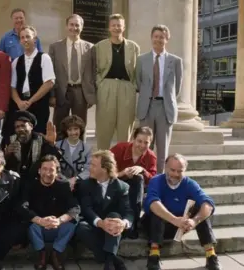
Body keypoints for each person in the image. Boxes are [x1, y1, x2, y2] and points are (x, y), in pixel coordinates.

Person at [142, 154, 222, 270]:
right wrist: (174, 220)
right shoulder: (156, 181)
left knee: (201, 208)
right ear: (165, 167)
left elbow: (208, 204)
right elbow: (152, 203)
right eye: (172, 170)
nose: (175, 174)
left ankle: (211, 255)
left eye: (180, 171)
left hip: (178, 227)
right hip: (153, 226)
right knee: (158, 209)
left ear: (185, 170)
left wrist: (194, 221)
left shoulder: (190, 184)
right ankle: (154, 255)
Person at [136, 25, 183, 174]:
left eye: (162, 37)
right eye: (156, 36)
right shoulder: (141, 60)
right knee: (144, 147)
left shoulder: (175, 61)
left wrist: (167, 99)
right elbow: (139, 82)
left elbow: (177, 88)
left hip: (165, 107)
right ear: (151, 38)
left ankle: (160, 180)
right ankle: (144, 179)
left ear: (167, 39)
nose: (158, 40)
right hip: (147, 107)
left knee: (162, 149)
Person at [75, 150, 133, 270]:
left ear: (105, 169)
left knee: (115, 216)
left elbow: (128, 212)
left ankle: (109, 264)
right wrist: (101, 223)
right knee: (80, 227)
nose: (89, 168)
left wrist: (124, 223)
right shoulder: (85, 185)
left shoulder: (121, 187)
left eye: (93, 165)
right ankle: (111, 258)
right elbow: (86, 209)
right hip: (95, 226)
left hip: (114, 230)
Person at [90, 14, 140, 150]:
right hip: (106, 86)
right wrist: (99, 83)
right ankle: (103, 163)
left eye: (119, 25)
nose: (116, 28)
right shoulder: (99, 46)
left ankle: (124, 161)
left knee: (125, 127)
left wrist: (133, 86)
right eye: (114, 25)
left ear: (124, 27)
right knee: (104, 127)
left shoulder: (133, 47)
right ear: (109, 28)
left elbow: (136, 70)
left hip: (126, 87)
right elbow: (93, 68)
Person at [20, 155, 80, 270]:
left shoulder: (63, 185)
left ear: (57, 172)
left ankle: (56, 253)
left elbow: (75, 207)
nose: (48, 173)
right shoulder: (30, 185)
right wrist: (40, 220)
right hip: (38, 227)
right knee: (29, 223)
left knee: (72, 222)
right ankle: (41, 255)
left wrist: (59, 220)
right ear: (39, 170)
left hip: (57, 226)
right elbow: (22, 206)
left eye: (51, 170)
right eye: (44, 169)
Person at [3, 25, 55, 139]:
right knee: (18, 137)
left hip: (39, 106)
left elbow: (49, 83)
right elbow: (12, 87)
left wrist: (30, 101)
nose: (25, 40)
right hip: (20, 106)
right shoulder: (16, 61)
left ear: (35, 39)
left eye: (28, 37)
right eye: (22, 37)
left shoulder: (44, 58)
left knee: (38, 137)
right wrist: (19, 102)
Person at [49, 14, 94, 135]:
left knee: (80, 126)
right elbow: (51, 73)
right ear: (66, 26)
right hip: (62, 91)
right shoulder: (55, 47)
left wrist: (91, 95)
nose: (74, 28)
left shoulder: (90, 48)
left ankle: (80, 152)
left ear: (82, 27)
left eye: (77, 25)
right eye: (71, 25)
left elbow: (94, 72)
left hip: (81, 91)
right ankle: (58, 151)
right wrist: (52, 95)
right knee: (59, 126)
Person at [110, 126, 157, 239]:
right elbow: (105, 171)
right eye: (139, 141)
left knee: (138, 179)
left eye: (146, 142)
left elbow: (153, 181)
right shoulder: (120, 148)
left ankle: (133, 223)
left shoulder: (151, 156)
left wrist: (143, 170)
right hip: (116, 183)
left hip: (137, 189)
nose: (142, 145)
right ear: (133, 139)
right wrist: (123, 173)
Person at [2, 111, 61, 185]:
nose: (20, 129)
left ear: (31, 126)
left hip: (36, 181)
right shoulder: (9, 140)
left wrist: (52, 144)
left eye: (23, 126)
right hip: (15, 181)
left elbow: (53, 159)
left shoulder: (41, 139)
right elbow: (1, 163)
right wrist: (6, 154)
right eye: (17, 127)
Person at [55, 115, 92, 191]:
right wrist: (66, 181)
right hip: (60, 182)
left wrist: (75, 179)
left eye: (76, 129)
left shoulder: (87, 148)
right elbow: (54, 167)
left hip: (80, 184)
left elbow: (89, 169)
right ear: (66, 131)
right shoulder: (57, 146)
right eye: (70, 130)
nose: (73, 132)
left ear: (80, 130)